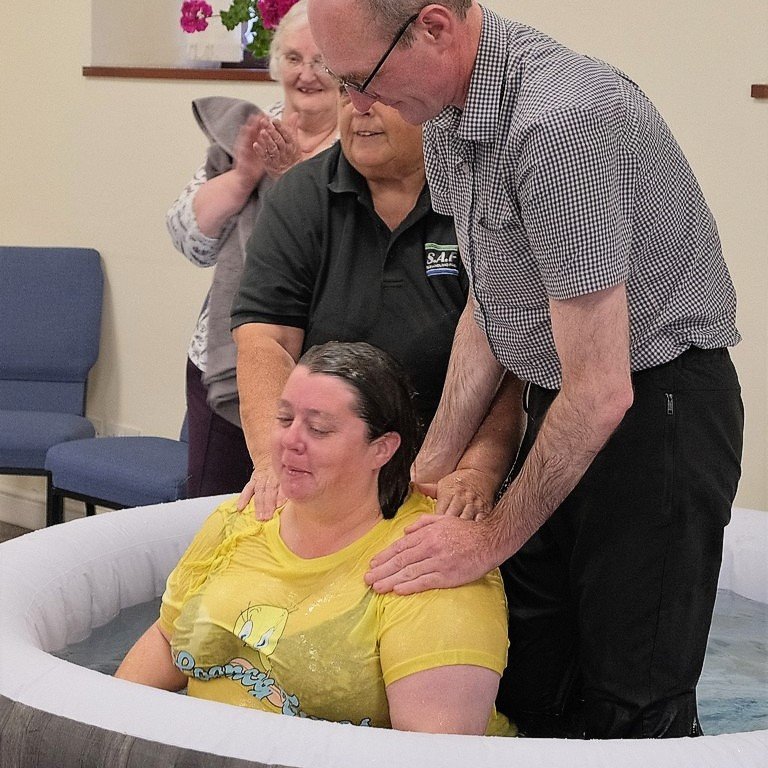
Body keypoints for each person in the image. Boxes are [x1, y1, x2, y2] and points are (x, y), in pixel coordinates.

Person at [306, 0, 744, 741]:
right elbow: (492, 300)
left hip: (657, 412)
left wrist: (488, 538)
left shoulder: (560, 121)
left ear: (436, 27)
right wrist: (427, 468)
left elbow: (603, 391)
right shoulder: (447, 112)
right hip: (566, 400)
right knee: (535, 678)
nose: (358, 105)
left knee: (632, 709)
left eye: (362, 77)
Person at [115, 341, 514, 736]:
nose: (291, 441)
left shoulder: (431, 559)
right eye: (285, 419)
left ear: (382, 448)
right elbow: (164, 646)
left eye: (320, 429)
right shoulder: (239, 522)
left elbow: (435, 755)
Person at [231, 87, 523, 519]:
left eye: (378, 96)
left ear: (429, 106)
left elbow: (514, 368)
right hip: (326, 473)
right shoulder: (301, 195)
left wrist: (477, 472)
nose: (360, 110)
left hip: (450, 471)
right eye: (347, 95)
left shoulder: (480, 195)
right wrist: (276, 462)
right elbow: (264, 342)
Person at [167, 0, 339, 497]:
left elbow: (339, 254)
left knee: (303, 511)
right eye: (292, 58)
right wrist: (244, 176)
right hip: (222, 357)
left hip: (319, 370)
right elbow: (189, 240)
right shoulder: (248, 132)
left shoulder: (363, 143)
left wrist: (288, 182)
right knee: (217, 506)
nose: (305, 75)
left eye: (322, 61)